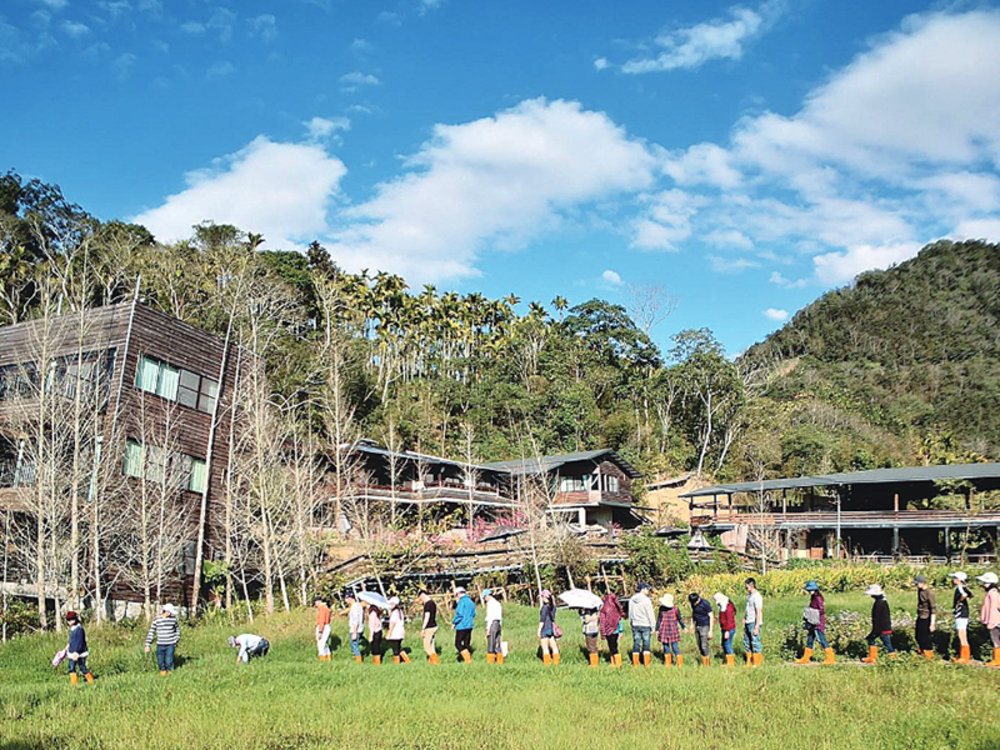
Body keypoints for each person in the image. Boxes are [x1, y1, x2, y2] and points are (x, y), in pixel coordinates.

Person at [794, 581, 835, 665]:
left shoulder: (818, 598)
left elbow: (822, 610)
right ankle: (806, 658)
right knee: (810, 639)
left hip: (818, 622)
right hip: (812, 622)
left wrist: (812, 612)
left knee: (821, 639)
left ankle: (830, 658)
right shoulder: (813, 597)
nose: (809, 591)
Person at [144, 603, 181, 676]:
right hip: (160, 644)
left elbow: (177, 631)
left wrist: (175, 641)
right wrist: (147, 645)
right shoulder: (157, 620)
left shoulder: (173, 620)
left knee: (169, 660)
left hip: (170, 644)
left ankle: (170, 673)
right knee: (160, 660)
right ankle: (162, 672)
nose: (171, 614)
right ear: (167, 612)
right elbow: (151, 632)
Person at [862, 584, 894, 663]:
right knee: (874, 639)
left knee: (887, 643)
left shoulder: (879, 603)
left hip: (882, 628)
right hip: (884, 627)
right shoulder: (882, 601)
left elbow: (877, 618)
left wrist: (875, 630)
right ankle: (873, 657)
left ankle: (891, 658)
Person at [65, 611, 94, 685]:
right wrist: (68, 645)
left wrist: (76, 652)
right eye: (68, 620)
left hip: (80, 652)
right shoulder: (73, 629)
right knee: (71, 667)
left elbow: (80, 642)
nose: (70, 621)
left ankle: (91, 680)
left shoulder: (79, 629)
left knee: (82, 668)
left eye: (72, 619)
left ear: (75, 619)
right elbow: (73, 640)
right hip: (72, 652)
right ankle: (74, 684)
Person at [977, 572, 1000, 667]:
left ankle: (997, 659)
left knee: (995, 639)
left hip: (994, 621)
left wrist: (991, 622)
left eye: (985, 582)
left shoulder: (993, 593)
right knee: (995, 639)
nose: (983, 584)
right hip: (994, 620)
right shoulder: (993, 593)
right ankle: (997, 659)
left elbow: (994, 609)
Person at [950, 572, 973, 664]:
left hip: (961, 613)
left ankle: (965, 657)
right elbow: (971, 595)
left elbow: (965, 595)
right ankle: (963, 655)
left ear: (959, 579)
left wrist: (959, 602)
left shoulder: (960, 588)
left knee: (962, 634)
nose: (953, 580)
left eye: (955, 578)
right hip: (963, 613)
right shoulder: (964, 587)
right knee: (962, 633)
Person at [656, 594, 685, 666]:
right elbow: (659, 619)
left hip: (673, 630)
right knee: (665, 647)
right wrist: (657, 629)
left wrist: (683, 627)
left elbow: (679, 619)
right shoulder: (661, 609)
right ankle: (668, 663)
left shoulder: (675, 609)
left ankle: (680, 663)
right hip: (664, 630)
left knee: (675, 647)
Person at [687, 592, 714, 667]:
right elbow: (693, 614)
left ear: (697, 600)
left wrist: (710, 630)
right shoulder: (693, 604)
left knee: (704, 645)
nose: (693, 604)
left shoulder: (705, 604)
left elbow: (711, 616)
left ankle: (707, 663)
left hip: (705, 625)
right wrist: (692, 625)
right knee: (699, 644)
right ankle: (703, 661)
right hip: (697, 625)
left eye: (694, 602)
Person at [599, 592, 625, 668]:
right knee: (614, 646)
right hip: (616, 630)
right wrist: (621, 631)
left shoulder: (603, 609)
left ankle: (616, 663)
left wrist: (603, 633)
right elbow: (619, 620)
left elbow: (602, 622)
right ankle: (615, 662)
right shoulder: (616, 609)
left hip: (608, 631)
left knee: (612, 647)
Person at [913, 574, 937, 660]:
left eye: (917, 584)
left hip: (927, 617)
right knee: (918, 635)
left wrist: (932, 623)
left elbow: (933, 608)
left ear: (922, 583)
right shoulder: (920, 591)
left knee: (925, 637)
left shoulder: (929, 593)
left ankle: (928, 655)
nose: (916, 586)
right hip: (920, 615)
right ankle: (922, 651)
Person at [452, 586, 476, 663]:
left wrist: (454, 622)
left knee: (458, 643)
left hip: (462, 625)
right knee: (466, 643)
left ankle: (467, 659)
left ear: (458, 594)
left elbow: (459, 614)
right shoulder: (471, 602)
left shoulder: (461, 602)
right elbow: (473, 613)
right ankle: (468, 658)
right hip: (470, 625)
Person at [743, 578, 763, 667]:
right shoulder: (749, 596)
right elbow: (747, 608)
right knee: (747, 642)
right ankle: (749, 661)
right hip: (748, 621)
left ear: (751, 585)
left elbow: (759, 611)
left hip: (753, 622)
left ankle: (756, 663)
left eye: (746, 586)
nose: (745, 588)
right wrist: (744, 618)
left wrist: (756, 627)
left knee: (755, 642)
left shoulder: (757, 597)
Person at [714, 592, 737, 667]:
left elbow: (729, 620)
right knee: (724, 644)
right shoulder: (723, 606)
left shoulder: (728, 607)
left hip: (728, 629)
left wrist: (727, 631)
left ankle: (730, 663)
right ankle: (727, 660)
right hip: (725, 628)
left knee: (727, 645)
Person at [538, 589, 560, 665]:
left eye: (542, 597)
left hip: (544, 628)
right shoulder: (553, 607)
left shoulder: (544, 608)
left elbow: (542, 620)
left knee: (545, 647)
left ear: (544, 597)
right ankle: (556, 662)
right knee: (554, 646)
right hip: (551, 628)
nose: (541, 598)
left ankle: (547, 663)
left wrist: (539, 630)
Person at [386, 596, 410, 665]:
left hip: (395, 633)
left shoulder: (394, 613)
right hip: (400, 632)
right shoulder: (400, 611)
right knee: (399, 647)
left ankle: (396, 663)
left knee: (395, 649)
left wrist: (389, 633)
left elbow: (393, 624)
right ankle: (407, 660)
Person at [483, 589, 504, 664]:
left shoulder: (490, 604)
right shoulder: (498, 603)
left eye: (484, 597)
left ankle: (490, 661)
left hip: (493, 623)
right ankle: (500, 661)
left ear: (487, 596)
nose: (484, 599)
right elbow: (500, 616)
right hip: (498, 623)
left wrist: (488, 628)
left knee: (491, 642)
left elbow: (490, 617)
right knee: (497, 642)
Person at [419, 590, 439, 664]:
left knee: (426, 646)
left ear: (422, 596)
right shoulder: (433, 603)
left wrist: (423, 628)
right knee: (432, 645)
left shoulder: (427, 604)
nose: (421, 600)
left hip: (429, 627)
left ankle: (435, 661)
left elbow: (427, 617)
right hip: (434, 626)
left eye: (421, 598)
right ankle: (432, 662)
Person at [347, 592, 365, 664]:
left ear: (350, 598)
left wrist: (354, 632)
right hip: (360, 628)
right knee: (355, 645)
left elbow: (355, 620)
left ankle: (358, 662)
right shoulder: (359, 606)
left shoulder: (354, 607)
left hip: (355, 629)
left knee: (354, 646)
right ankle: (357, 660)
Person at [315, 597, 332, 662]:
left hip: (323, 627)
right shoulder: (326, 608)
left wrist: (320, 631)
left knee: (321, 644)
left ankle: (322, 660)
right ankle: (328, 658)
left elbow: (322, 620)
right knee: (325, 644)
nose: (315, 603)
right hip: (327, 626)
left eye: (316, 601)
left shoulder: (322, 609)